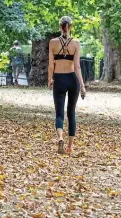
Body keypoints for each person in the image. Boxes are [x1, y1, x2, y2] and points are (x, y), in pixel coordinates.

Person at [48, 16, 86, 155]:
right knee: (71, 113)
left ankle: (60, 138)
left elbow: (51, 65)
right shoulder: (76, 43)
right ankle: (70, 147)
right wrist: (82, 86)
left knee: (59, 113)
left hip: (59, 79)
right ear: (71, 27)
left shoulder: (53, 43)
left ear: (60, 27)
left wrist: (49, 80)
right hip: (72, 79)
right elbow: (77, 67)